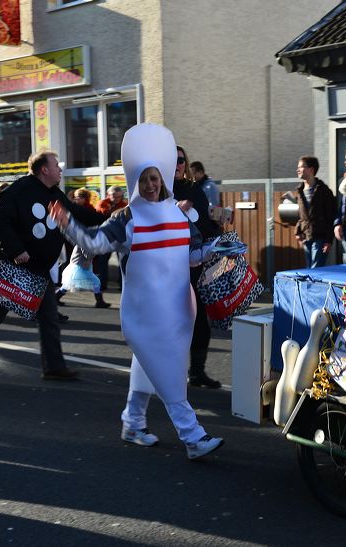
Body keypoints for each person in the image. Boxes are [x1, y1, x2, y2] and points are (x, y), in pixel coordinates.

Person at [49, 123, 224, 460]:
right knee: (171, 376)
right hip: (144, 315)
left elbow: (191, 257)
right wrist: (68, 224)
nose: (150, 184)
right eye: (144, 179)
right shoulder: (126, 219)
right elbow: (95, 244)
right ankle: (193, 437)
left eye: (154, 177)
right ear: (135, 182)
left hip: (177, 311)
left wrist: (218, 248)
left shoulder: (178, 214)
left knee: (149, 368)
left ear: (163, 180)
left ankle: (132, 423)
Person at [0, 150, 104, 382]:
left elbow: (79, 214)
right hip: (12, 264)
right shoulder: (19, 190)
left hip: (38, 267)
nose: (60, 170)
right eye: (56, 166)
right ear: (44, 170)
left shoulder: (54, 193)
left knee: (49, 316)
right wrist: (16, 250)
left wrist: (118, 216)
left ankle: (53, 367)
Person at [174, 145, 224, 389]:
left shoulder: (195, 190)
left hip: (196, 266)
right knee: (173, 323)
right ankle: (169, 373)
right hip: (169, 269)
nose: (178, 164)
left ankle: (197, 372)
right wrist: (174, 211)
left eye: (181, 160)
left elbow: (207, 221)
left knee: (200, 322)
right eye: (173, 160)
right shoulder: (158, 190)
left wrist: (220, 229)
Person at [294, 155, 336, 268]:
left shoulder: (324, 191)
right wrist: (298, 232)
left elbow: (331, 216)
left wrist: (329, 240)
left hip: (320, 238)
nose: (297, 170)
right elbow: (300, 215)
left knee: (315, 269)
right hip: (306, 236)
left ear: (311, 170)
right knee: (309, 269)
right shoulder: (299, 191)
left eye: (301, 167)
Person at [94, 185, 127, 291]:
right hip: (106, 237)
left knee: (123, 262)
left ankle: (122, 285)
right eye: (114, 196)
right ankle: (102, 284)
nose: (116, 199)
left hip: (120, 237)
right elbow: (104, 214)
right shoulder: (103, 203)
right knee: (102, 262)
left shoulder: (124, 204)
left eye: (119, 197)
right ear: (109, 195)